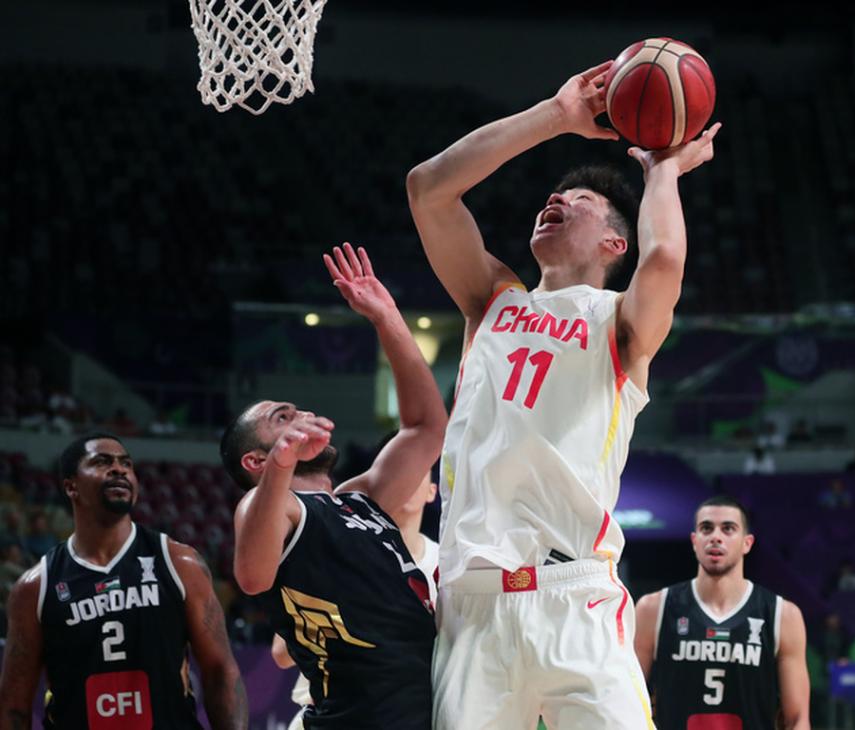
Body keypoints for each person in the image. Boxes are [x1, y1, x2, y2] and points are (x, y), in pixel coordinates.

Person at [407, 58, 720, 728]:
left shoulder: (621, 322)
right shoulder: (492, 300)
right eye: (553, 196)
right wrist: (554, 117)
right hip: (474, 606)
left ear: (614, 241)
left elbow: (664, 257)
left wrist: (663, 172)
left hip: (575, 595)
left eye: (579, 202)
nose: (556, 201)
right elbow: (428, 189)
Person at [223, 244, 446, 730]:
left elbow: (427, 428)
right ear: (256, 460)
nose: (302, 415)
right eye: (282, 417)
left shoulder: (360, 501)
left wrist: (386, 318)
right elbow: (253, 577)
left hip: (422, 712)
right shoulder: (275, 507)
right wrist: (282, 464)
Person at [0, 433, 247, 729]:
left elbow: (220, 670)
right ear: (71, 487)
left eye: (126, 463)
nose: (119, 469)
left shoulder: (180, 563)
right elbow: (14, 704)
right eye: (102, 462)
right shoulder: (35, 587)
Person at [269, 467, 440, 730]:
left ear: (432, 492)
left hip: (410, 715)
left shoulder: (444, 562)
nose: (411, 481)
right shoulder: (341, 548)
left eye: (420, 475)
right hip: (331, 712)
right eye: (406, 473)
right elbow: (281, 653)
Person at [634, 496, 810, 729]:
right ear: (694, 541)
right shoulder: (653, 609)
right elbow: (628, 703)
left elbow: (798, 719)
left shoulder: (782, 615)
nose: (715, 537)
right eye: (706, 528)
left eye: (728, 529)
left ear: (747, 543)